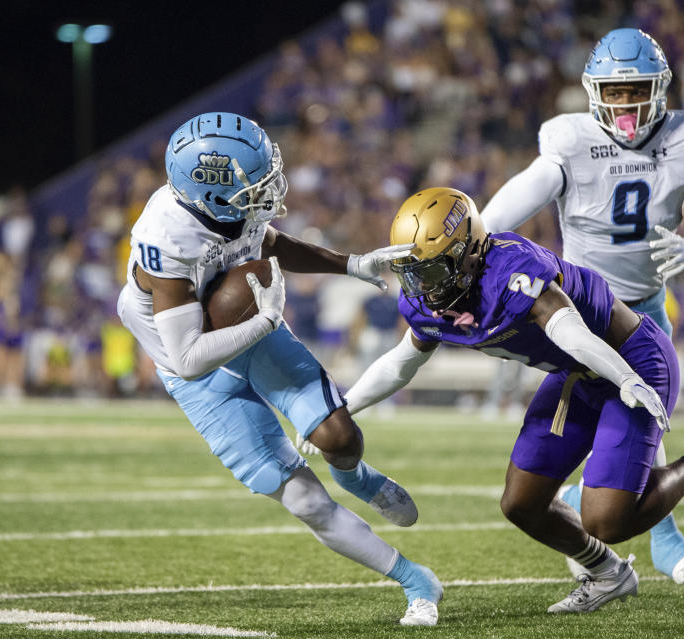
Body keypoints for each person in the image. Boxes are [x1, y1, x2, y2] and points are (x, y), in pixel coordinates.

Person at [344, 187, 684, 613]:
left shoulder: (511, 269)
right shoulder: (432, 299)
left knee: (606, 519)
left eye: (431, 271)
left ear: (468, 252)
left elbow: (569, 331)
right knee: (521, 503)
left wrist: (626, 378)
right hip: (577, 374)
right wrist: (345, 407)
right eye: (413, 273)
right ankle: (609, 574)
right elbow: (401, 363)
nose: (421, 287)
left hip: (632, 360)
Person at [116, 112, 442, 626]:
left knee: (338, 436)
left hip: (241, 330)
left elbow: (269, 243)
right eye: (254, 185)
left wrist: (351, 264)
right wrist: (267, 317)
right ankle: (415, 580)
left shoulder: (222, 208)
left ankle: (357, 478)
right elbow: (188, 357)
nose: (267, 190)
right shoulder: (169, 238)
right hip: (192, 364)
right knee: (306, 501)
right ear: (210, 193)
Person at [479, 28, 684, 584]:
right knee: (584, 460)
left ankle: (663, 539)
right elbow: (534, 184)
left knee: (640, 441)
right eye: (615, 91)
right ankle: (607, 534)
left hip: (644, 314)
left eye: (635, 89)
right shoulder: (569, 142)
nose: (625, 103)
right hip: (578, 316)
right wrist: (479, 230)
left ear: (660, 89)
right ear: (593, 92)